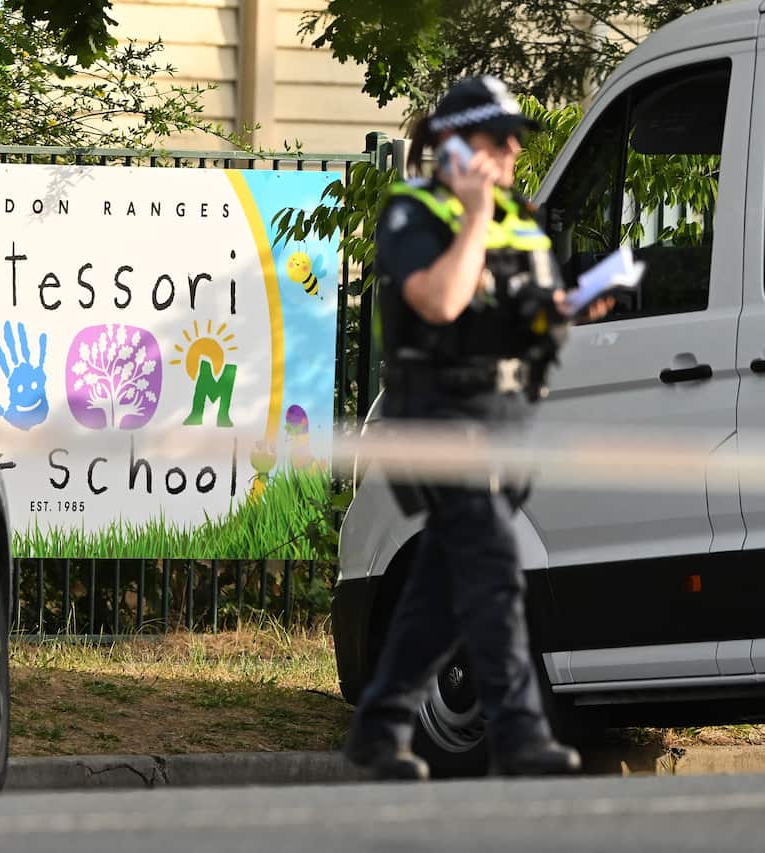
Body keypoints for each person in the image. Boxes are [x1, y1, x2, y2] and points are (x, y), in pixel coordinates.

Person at [342, 75, 611, 780]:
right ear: (459, 146)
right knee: (494, 568)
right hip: (436, 428)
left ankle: (379, 724)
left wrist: (574, 303)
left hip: (502, 427)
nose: (516, 148)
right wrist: (470, 214)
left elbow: (532, 316)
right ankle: (521, 732)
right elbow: (437, 301)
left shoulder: (518, 218)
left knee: (440, 584)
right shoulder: (416, 213)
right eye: (498, 139)